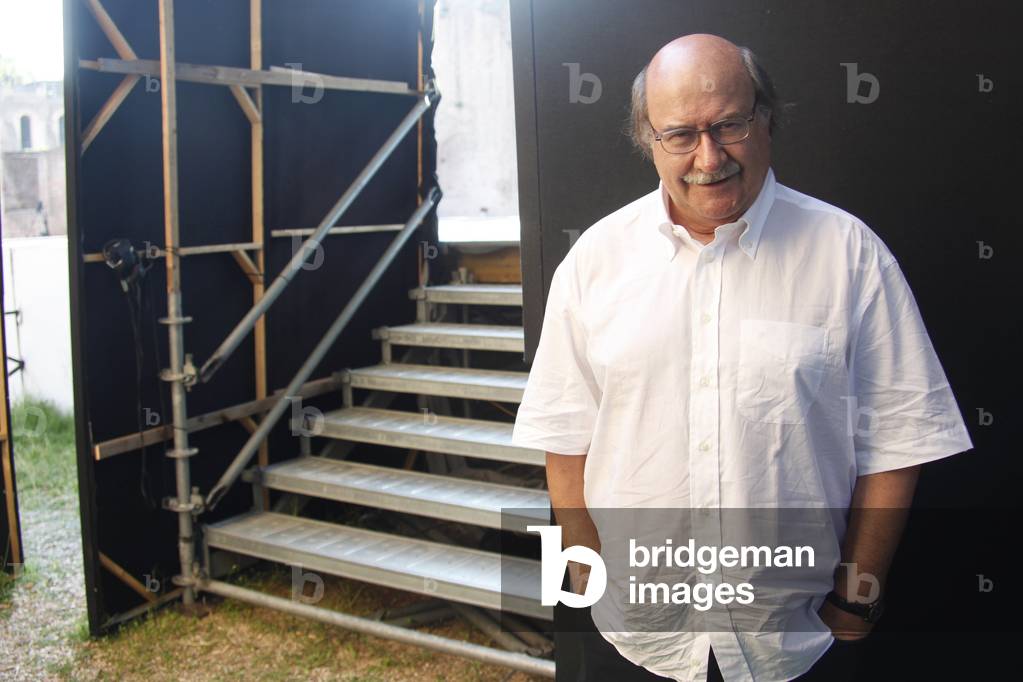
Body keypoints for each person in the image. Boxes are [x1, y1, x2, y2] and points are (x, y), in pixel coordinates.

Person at [511, 33, 973, 682]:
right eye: (680, 134)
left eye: (729, 124)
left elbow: (898, 441)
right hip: (637, 634)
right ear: (647, 137)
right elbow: (565, 439)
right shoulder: (596, 259)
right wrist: (587, 578)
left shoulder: (849, 254)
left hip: (793, 640)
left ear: (765, 119)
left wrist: (854, 595)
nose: (708, 156)